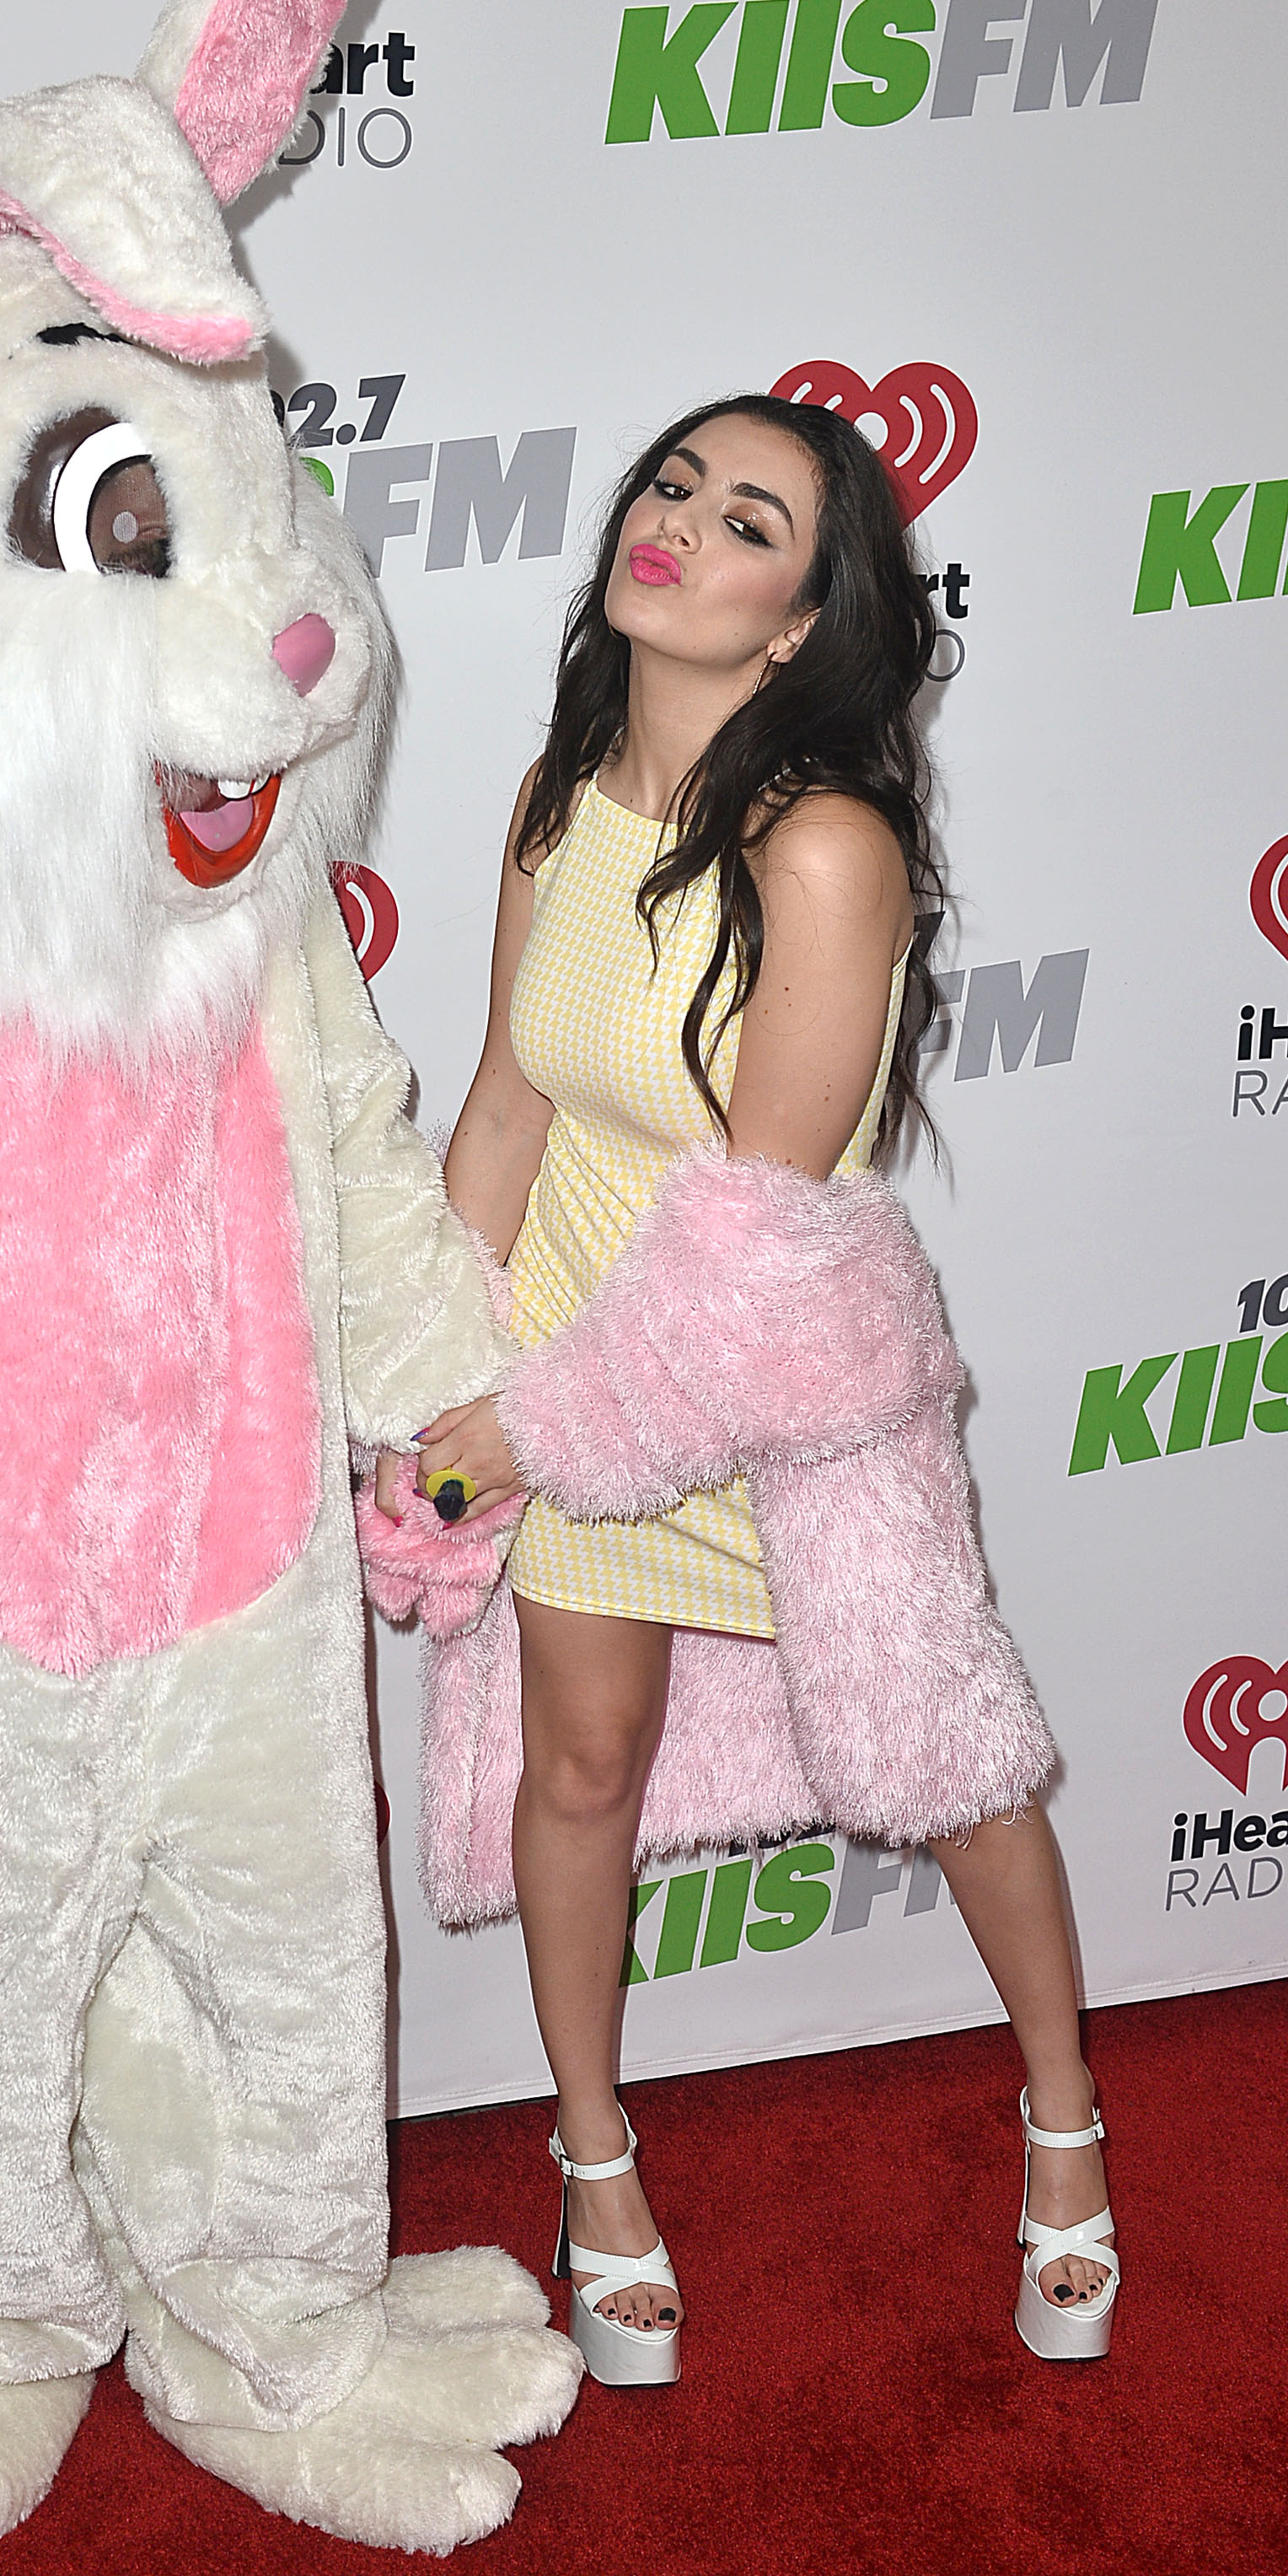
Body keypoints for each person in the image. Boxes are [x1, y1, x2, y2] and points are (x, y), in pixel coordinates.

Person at [380, 395, 1118, 2387]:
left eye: (751, 521)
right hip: (566, 1371)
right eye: (674, 485)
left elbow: (764, 1237)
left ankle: (1065, 2119)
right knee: (578, 1769)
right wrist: (436, 1385)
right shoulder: (555, 802)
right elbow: (509, 1108)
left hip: (773, 1405)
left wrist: (527, 1430)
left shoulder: (824, 846)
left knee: (953, 1771)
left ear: (800, 622)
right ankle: (593, 2162)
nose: (682, 525)